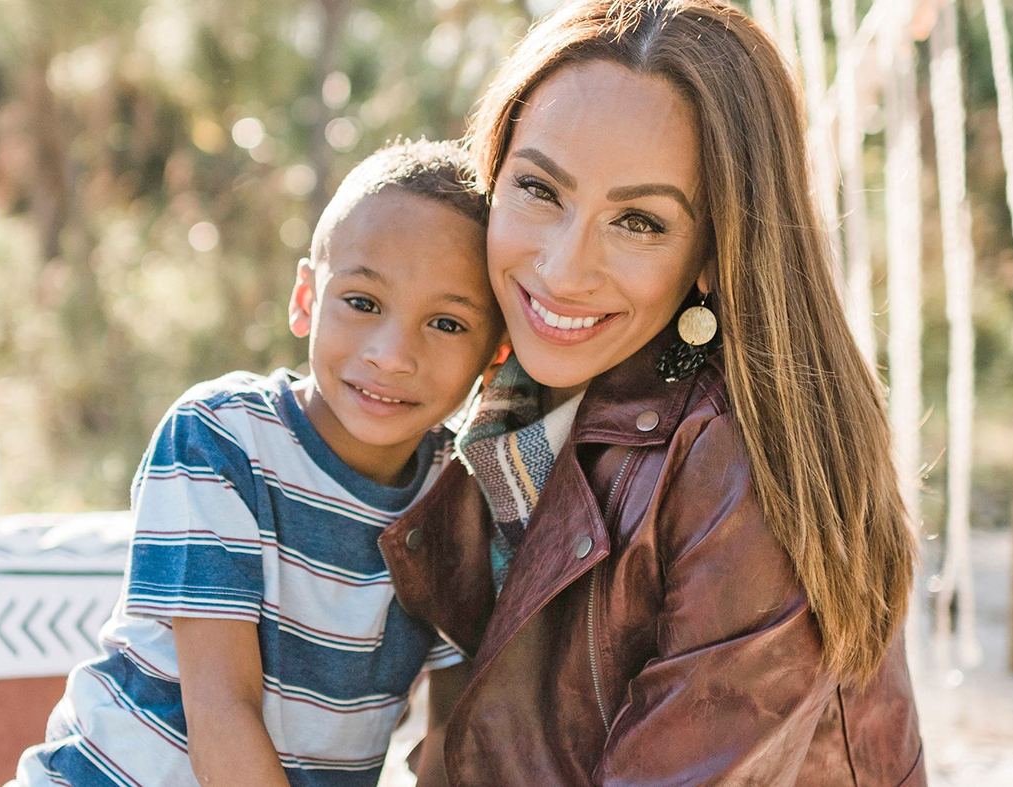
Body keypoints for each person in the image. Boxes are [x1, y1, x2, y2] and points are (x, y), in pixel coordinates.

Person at [379, 2, 925, 785]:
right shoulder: (497, 406)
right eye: (539, 188)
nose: (564, 268)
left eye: (637, 221)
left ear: (714, 252)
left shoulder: (739, 467)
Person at [10, 139, 505, 787]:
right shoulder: (222, 437)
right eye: (362, 302)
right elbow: (223, 710)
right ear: (306, 299)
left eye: (445, 323)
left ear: (493, 357)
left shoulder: (460, 498)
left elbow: (451, 736)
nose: (391, 354)